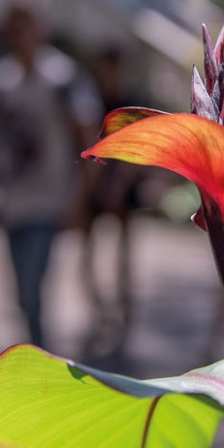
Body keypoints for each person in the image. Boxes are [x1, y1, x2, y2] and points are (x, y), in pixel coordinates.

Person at [0, 0, 101, 350]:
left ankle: (41, 361)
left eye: (25, 23)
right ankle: (37, 354)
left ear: (42, 28)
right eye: (12, 24)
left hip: (49, 203)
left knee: (33, 290)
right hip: (10, 203)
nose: (18, 33)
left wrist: (81, 197)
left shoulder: (63, 77)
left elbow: (90, 138)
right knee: (21, 294)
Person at [78, 43, 145, 352]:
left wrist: (118, 185)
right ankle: (100, 314)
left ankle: (124, 317)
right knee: (87, 256)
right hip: (95, 185)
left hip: (122, 186)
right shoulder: (91, 102)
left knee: (123, 259)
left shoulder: (130, 103)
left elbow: (140, 149)